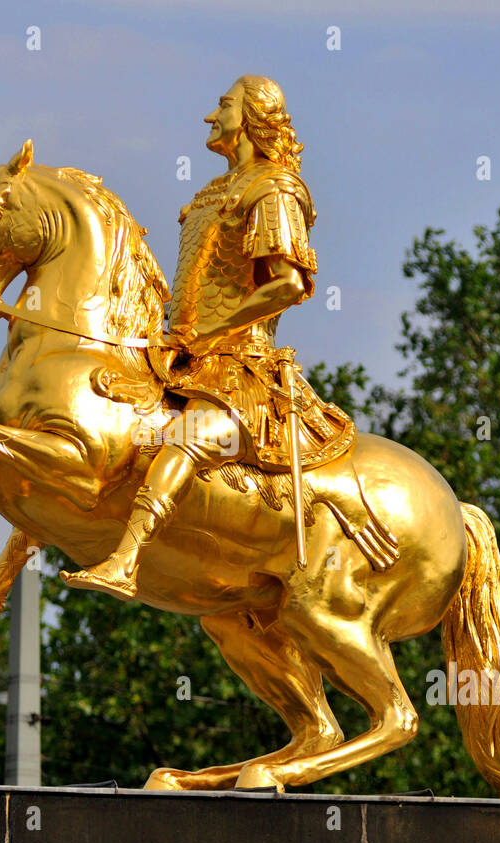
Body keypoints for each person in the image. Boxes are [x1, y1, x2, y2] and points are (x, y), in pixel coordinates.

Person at [63, 75, 355, 600]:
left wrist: (212, 331)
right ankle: (5, 571)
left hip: (243, 373)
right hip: (186, 362)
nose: (209, 116)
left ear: (250, 119)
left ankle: (127, 561)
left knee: (183, 442)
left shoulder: (273, 188)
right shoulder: (212, 192)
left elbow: (288, 283)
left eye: (223, 105)